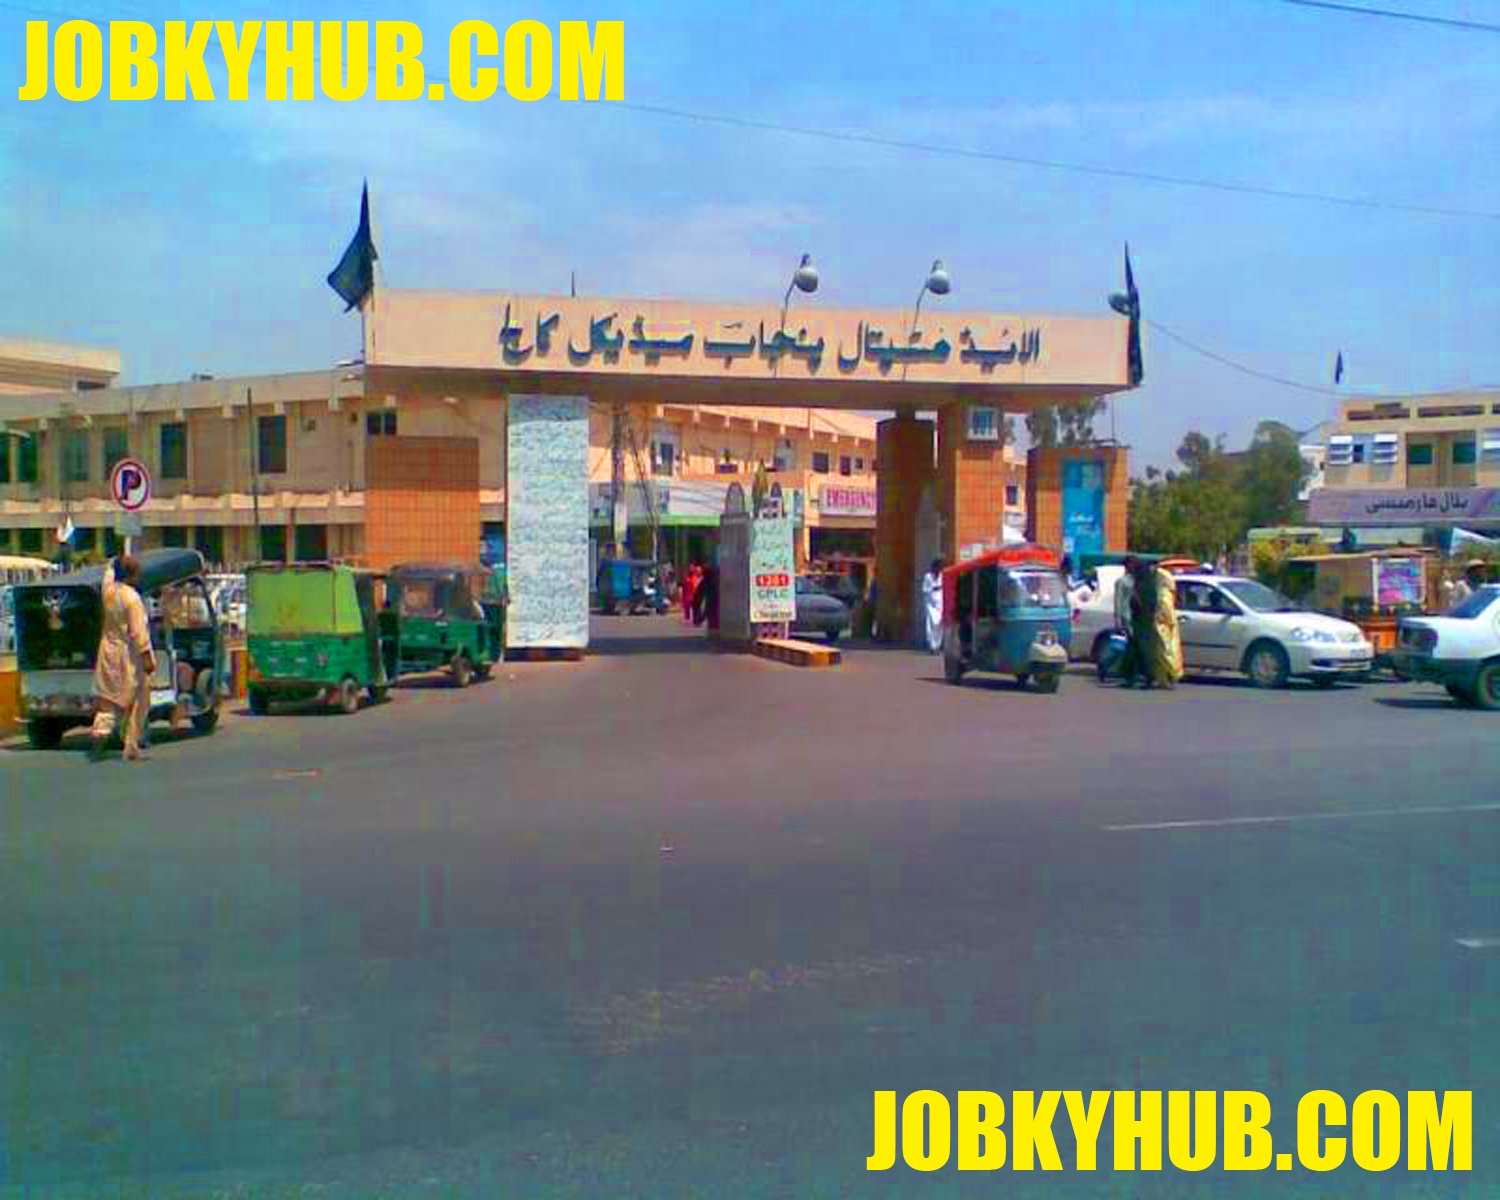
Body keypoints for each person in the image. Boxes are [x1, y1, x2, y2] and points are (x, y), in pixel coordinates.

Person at [90, 555, 156, 762]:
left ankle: (100, 733)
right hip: (129, 655)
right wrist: (147, 657)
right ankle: (130, 743)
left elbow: (107, 574)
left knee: (109, 701)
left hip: (108, 650)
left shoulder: (108, 591)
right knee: (139, 698)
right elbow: (138, 632)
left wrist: (113, 563)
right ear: (133, 574)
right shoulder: (132, 598)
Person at [921, 558, 945, 654]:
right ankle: (932, 646)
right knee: (931, 625)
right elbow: (924, 590)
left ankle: (938, 646)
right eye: (938, 567)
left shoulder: (942, 576)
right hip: (930, 605)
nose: (939, 569)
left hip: (940, 604)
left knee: (939, 625)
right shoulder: (928, 576)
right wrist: (934, 588)